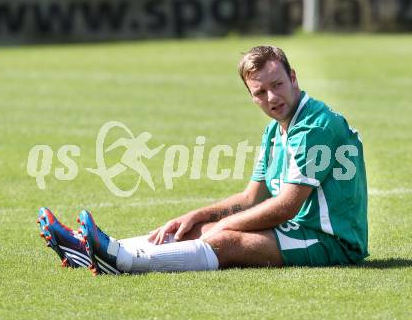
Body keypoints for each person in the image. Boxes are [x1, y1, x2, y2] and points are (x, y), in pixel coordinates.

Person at [38, 45, 368, 275]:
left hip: (332, 242)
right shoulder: (275, 130)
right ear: (250, 94)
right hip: (299, 230)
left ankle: (122, 260)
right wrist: (194, 215)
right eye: (260, 92)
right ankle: (92, 251)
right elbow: (251, 198)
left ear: (293, 77)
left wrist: (223, 224)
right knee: (195, 228)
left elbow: (287, 206)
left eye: (277, 85)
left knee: (224, 238)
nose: (271, 98)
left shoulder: (316, 126)